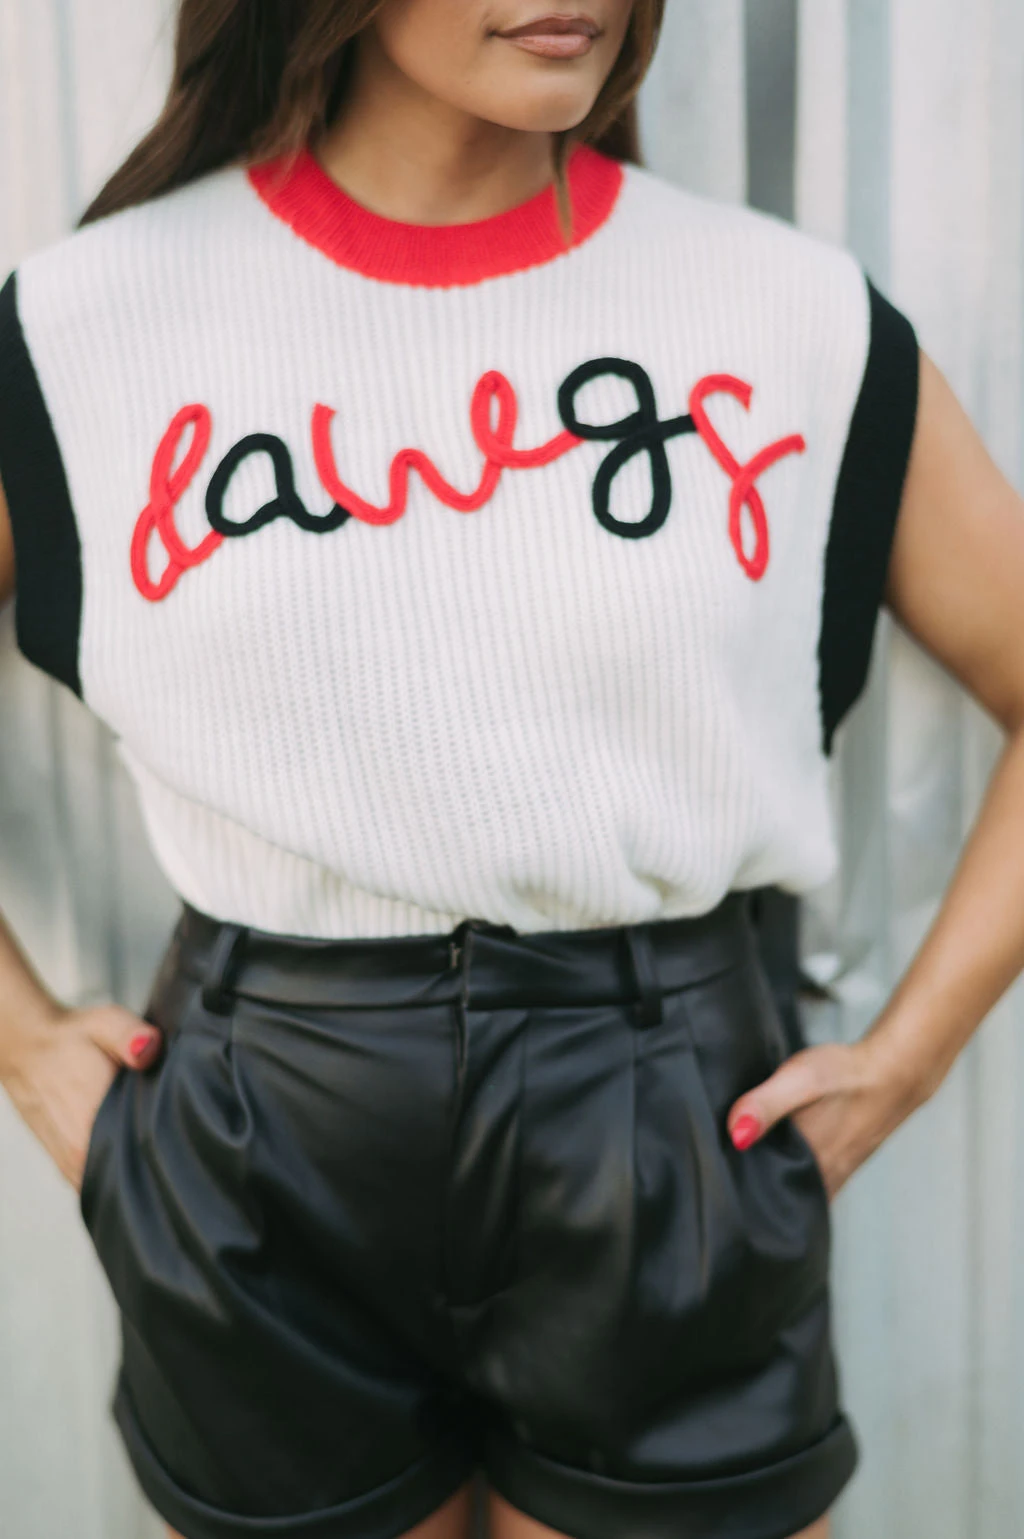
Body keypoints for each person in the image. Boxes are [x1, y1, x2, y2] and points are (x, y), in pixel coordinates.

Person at [0, 3, 1022, 1537]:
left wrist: (909, 1061)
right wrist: (22, 1043)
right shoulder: (91, 325)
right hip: (259, 1140)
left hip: (669, 1128)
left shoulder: (786, 319)